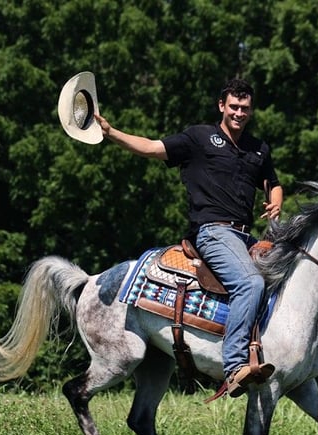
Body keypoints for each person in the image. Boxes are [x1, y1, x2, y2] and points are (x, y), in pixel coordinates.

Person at [94, 78, 283, 398]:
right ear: (221, 106)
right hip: (213, 231)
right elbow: (153, 147)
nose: (239, 113)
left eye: (245, 108)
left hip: (246, 236)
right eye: (234, 107)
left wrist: (276, 199)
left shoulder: (258, 148)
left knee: (290, 273)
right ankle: (235, 365)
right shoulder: (199, 137)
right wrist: (112, 133)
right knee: (250, 283)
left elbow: (272, 182)